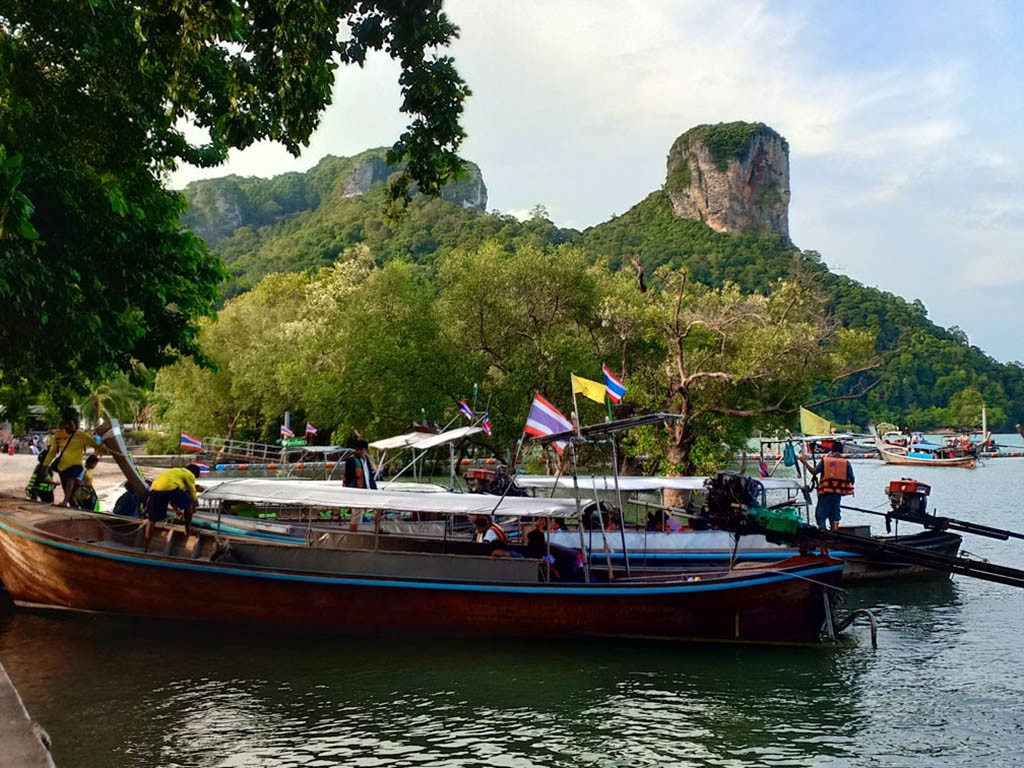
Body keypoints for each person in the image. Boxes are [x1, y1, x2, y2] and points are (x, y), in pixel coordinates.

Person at [804, 440, 854, 548]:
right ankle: (834, 537)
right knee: (834, 515)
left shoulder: (825, 461)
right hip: (837, 493)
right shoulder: (846, 463)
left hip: (825, 492)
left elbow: (814, 472)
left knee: (821, 515)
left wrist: (804, 461)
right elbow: (852, 478)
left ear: (832, 449)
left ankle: (823, 537)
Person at [41, 411, 97, 507]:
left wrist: (108, 449)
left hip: (76, 465)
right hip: (62, 466)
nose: (67, 426)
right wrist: (45, 466)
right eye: (65, 423)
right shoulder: (58, 435)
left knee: (71, 479)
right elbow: (52, 452)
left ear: (75, 424)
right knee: (68, 491)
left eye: (70, 424)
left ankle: (65, 501)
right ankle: (73, 506)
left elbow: (95, 445)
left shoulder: (82, 435)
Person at [143, 464, 201, 551]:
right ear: (194, 472)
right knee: (189, 502)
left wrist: (176, 509)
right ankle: (187, 529)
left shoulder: (173, 472)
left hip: (155, 490)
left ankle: (146, 548)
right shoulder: (189, 473)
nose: (194, 479)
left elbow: (169, 496)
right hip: (169, 489)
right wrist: (195, 505)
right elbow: (193, 491)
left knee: (152, 521)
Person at [344, 439, 378, 531]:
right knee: (356, 514)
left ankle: (377, 528)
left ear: (365, 450)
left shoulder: (366, 460)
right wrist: (352, 493)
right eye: (357, 449)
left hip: (368, 489)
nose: (359, 451)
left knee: (378, 508)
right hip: (358, 491)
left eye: (361, 449)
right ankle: (352, 532)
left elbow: (370, 475)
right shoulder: (351, 461)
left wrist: (374, 488)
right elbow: (350, 478)